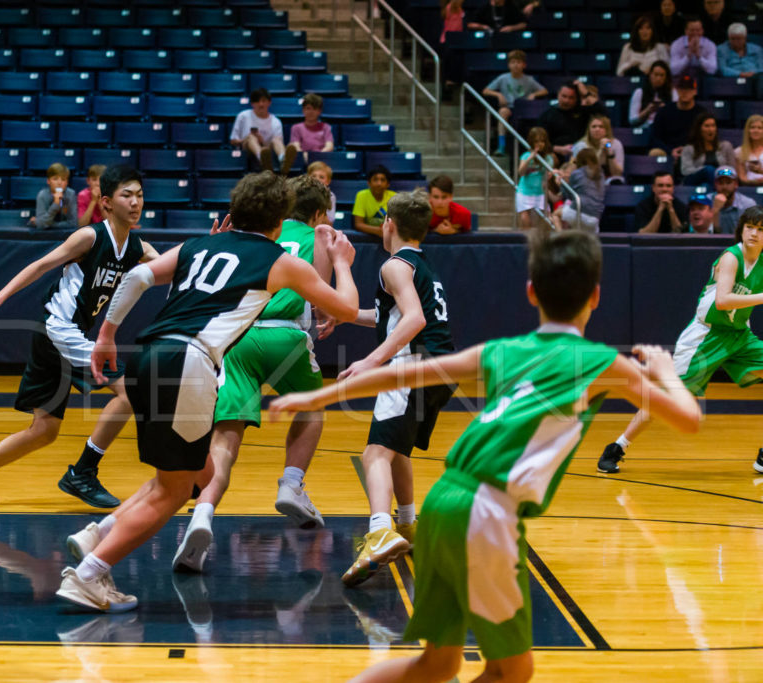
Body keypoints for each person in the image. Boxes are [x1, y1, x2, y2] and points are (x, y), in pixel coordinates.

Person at [270, 231, 701, 683]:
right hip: (488, 513)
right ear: (595, 295)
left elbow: (407, 373)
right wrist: (667, 372)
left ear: (531, 292)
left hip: (442, 504)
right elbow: (689, 419)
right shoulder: (602, 362)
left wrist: (319, 395)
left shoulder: (502, 350)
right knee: (511, 671)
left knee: (436, 664)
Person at [55, 171, 360, 612]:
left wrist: (106, 335)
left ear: (233, 212)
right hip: (191, 363)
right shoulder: (280, 260)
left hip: (148, 356)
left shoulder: (198, 244)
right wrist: (344, 262)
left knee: (193, 473)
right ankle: (90, 574)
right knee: (174, 491)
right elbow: (346, 309)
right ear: (278, 222)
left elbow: (139, 277)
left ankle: (100, 532)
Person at [0, 165, 159, 508]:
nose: (135, 202)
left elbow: (174, 265)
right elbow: (40, 265)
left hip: (58, 334)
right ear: (106, 202)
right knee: (130, 392)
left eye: (140, 195)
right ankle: (83, 472)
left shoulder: (138, 248)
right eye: (126, 195)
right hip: (60, 329)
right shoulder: (89, 237)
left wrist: (214, 245)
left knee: (44, 430)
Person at [167, 175, 336, 573]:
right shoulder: (320, 236)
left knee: (225, 438)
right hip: (286, 336)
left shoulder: (254, 236)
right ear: (317, 213)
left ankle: (203, 514)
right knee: (313, 408)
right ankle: (292, 484)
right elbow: (325, 295)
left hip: (238, 336)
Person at [333, 189, 456, 587]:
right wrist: (347, 317)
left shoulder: (393, 265)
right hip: (439, 368)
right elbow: (392, 316)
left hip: (413, 366)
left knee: (374, 454)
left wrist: (372, 362)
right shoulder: (420, 264)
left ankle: (380, 530)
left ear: (389, 223)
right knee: (396, 449)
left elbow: (413, 320)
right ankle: (407, 526)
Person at [599, 207, 763, 475]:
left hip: (739, 336)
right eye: (750, 227)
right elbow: (722, 301)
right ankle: (617, 447)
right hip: (705, 337)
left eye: (760, 229)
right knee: (667, 396)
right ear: (741, 229)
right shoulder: (732, 257)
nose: (754, 233)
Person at [481, 50, 548, 156]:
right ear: (509, 65)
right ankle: (501, 145)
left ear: (524, 65)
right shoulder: (503, 78)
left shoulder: (529, 80)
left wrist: (534, 95)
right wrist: (499, 95)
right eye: (513, 62)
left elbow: (544, 90)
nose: (515, 65)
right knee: (503, 111)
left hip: (524, 109)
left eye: (518, 62)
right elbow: (486, 91)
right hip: (509, 108)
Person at [230, 88, 297, 176]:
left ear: (269, 102)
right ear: (252, 103)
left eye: (263, 101)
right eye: (257, 101)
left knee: (276, 140)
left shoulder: (276, 121)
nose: (261, 104)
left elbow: (275, 145)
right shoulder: (243, 116)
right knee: (251, 138)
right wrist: (246, 139)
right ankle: (262, 159)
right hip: (246, 152)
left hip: (268, 151)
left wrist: (262, 142)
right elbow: (233, 141)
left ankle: (283, 160)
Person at [537, 81, 608, 158]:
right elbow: (539, 142)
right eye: (564, 96)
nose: (566, 101)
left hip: (582, 155)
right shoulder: (548, 115)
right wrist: (558, 149)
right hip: (556, 155)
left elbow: (603, 113)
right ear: (558, 95)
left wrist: (586, 94)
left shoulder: (583, 112)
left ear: (577, 99)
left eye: (571, 98)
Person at [649, 74, 707, 158]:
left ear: (695, 91)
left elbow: (704, 139)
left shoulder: (701, 113)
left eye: (689, 89)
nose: (685, 92)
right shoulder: (664, 111)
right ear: (677, 90)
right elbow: (655, 138)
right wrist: (670, 151)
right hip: (669, 152)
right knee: (654, 152)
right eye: (682, 88)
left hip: (693, 152)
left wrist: (688, 150)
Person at [552, 149, 605, 232]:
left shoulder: (577, 173)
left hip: (579, 212)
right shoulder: (601, 175)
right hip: (595, 218)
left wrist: (561, 185)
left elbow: (569, 196)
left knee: (556, 215)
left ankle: (561, 239)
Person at [680, 113, 736, 185]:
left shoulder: (726, 146)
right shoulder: (689, 149)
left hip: (721, 180)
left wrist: (720, 174)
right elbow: (685, 171)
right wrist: (705, 170)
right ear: (699, 129)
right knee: (708, 169)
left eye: (713, 126)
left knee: (706, 184)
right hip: (695, 181)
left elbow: (732, 170)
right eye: (707, 126)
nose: (711, 129)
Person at [516, 126, 554, 230]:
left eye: (542, 141)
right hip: (524, 191)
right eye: (536, 141)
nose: (539, 144)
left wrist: (549, 176)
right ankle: (525, 242)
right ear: (531, 142)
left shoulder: (548, 158)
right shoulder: (526, 155)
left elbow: (547, 176)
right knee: (525, 219)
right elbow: (521, 172)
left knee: (543, 221)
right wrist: (530, 159)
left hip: (539, 192)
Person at [571, 114, 626, 183]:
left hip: (609, 180)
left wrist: (609, 152)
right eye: (594, 127)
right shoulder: (581, 146)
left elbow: (617, 173)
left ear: (607, 130)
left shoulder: (615, 144)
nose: (597, 129)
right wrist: (600, 149)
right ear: (589, 130)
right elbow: (591, 172)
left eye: (601, 127)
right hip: (587, 180)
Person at [629, 60, 677, 127]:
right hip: (645, 129)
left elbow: (677, 117)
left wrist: (665, 110)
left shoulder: (672, 92)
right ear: (650, 75)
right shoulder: (639, 92)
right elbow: (632, 120)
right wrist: (647, 110)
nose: (658, 78)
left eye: (662, 75)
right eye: (656, 75)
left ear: (666, 77)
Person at [710, 165, 757, 234]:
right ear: (715, 184)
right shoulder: (706, 202)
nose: (724, 187)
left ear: (736, 184)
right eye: (721, 183)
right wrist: (715, 211)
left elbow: (753, 233)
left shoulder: (748, 205)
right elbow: (704, 233)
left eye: (728, 182)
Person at [353, 165, 396, 237]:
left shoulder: (394, 197)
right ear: (369, 183)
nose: (379, 183)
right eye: (375, 180)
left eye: (382, 180)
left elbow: (398, 223)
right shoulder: (361, 195)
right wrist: (378, 231)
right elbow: (358, 224)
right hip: (369, 236)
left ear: (388, 184)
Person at [35, 163, 78, 230]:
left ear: (67, 182)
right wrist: (56, 204)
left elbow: (73, 223)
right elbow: (40, 225)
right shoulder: (42, 195)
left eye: (63, 179)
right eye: (55, 179)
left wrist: (50, 224)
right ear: (48, 181)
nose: (59, 182)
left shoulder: (71, 194)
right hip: (46, 235)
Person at [289, 93, 334, 157]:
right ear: (303, 110)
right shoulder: (296, 128)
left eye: (314, 109)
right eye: (308, 108)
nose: (311, 111)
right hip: (302, 160)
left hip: (321, 160)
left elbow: (329, 147)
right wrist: (306, 157)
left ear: (319, 111)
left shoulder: (326, 127)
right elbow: (296, 147)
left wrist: (317, 157)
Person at [735, 114, 763, 186]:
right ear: (748, 130)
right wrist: (753, 182)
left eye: (760, 128)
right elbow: (742, 177)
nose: (756, 130)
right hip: (748, 186)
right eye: (752, 127)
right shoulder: (739, 151)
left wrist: (760, 171)